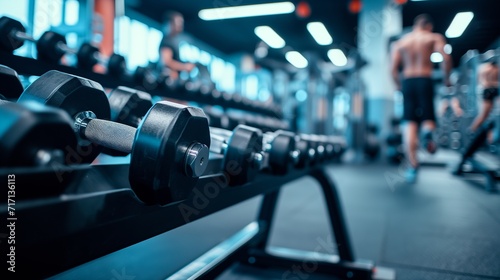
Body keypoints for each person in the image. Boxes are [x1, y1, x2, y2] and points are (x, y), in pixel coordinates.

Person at [391, 14, 452, 183]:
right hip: (425, 79)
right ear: (429, 26)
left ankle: (412, 165)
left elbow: (393, 68)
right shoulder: (433, 37)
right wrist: (447, 79)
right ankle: (427, 132)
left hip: (408, 81)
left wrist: (398, 85)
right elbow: (446, 57)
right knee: (428, 117)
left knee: (408, 122)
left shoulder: (401, 41)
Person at [159, 11, 194, 80]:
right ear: (171, 23)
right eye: (178, 22)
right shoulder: (167, 40)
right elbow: (166, 61)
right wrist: (185, 67)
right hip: (168, 80)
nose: (181, 26)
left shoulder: (172, 41)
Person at [469, 59, 499, 132]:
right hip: (488, 90)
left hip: (488, 90)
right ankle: (472, 130)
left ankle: (472, 130)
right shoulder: (488, 68)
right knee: (483, 116)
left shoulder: (483, 68)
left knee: (485, 116)